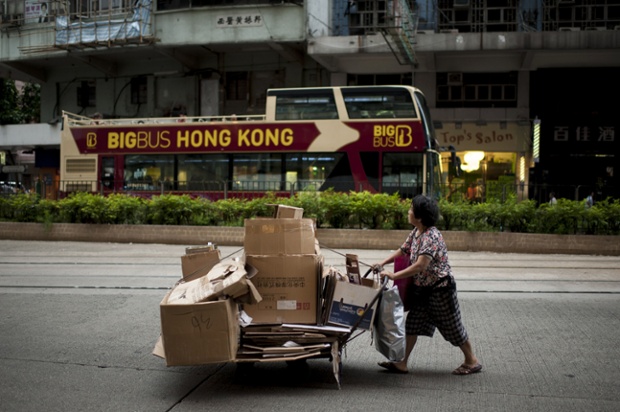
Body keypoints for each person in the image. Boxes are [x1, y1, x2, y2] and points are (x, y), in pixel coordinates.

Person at [373, 195, 482, 375]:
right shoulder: (417, 232)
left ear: (420, 216)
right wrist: (382, 262)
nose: (408, 212)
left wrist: (394, 275)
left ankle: (472, 360)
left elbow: (420, 265)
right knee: (413, 324)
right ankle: (402, 363)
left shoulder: (431, 236)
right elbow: (403, 250)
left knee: (452, 327)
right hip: (423, 289)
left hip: (440, 289)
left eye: (411, 209)